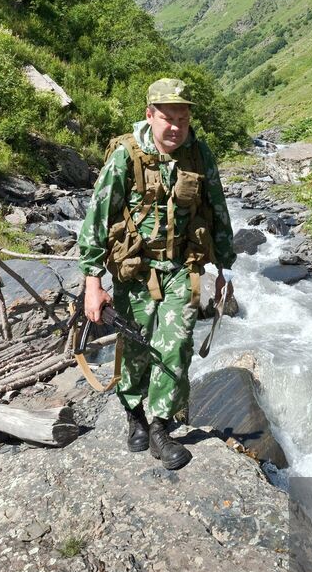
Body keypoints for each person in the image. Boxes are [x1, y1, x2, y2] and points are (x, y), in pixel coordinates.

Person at [77, 78, 237, 470]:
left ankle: (161, 428)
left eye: (182, 119)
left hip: (183, 268)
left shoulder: (199, 155)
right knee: (135, 348)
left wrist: (224, 268)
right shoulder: (125, 157)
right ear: (150, 116)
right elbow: (96, 218)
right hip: (135, 271)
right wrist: (92, 284)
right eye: (167, 118)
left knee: (177, 346)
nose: (175, 127)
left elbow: (217, 208)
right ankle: (135, 415)